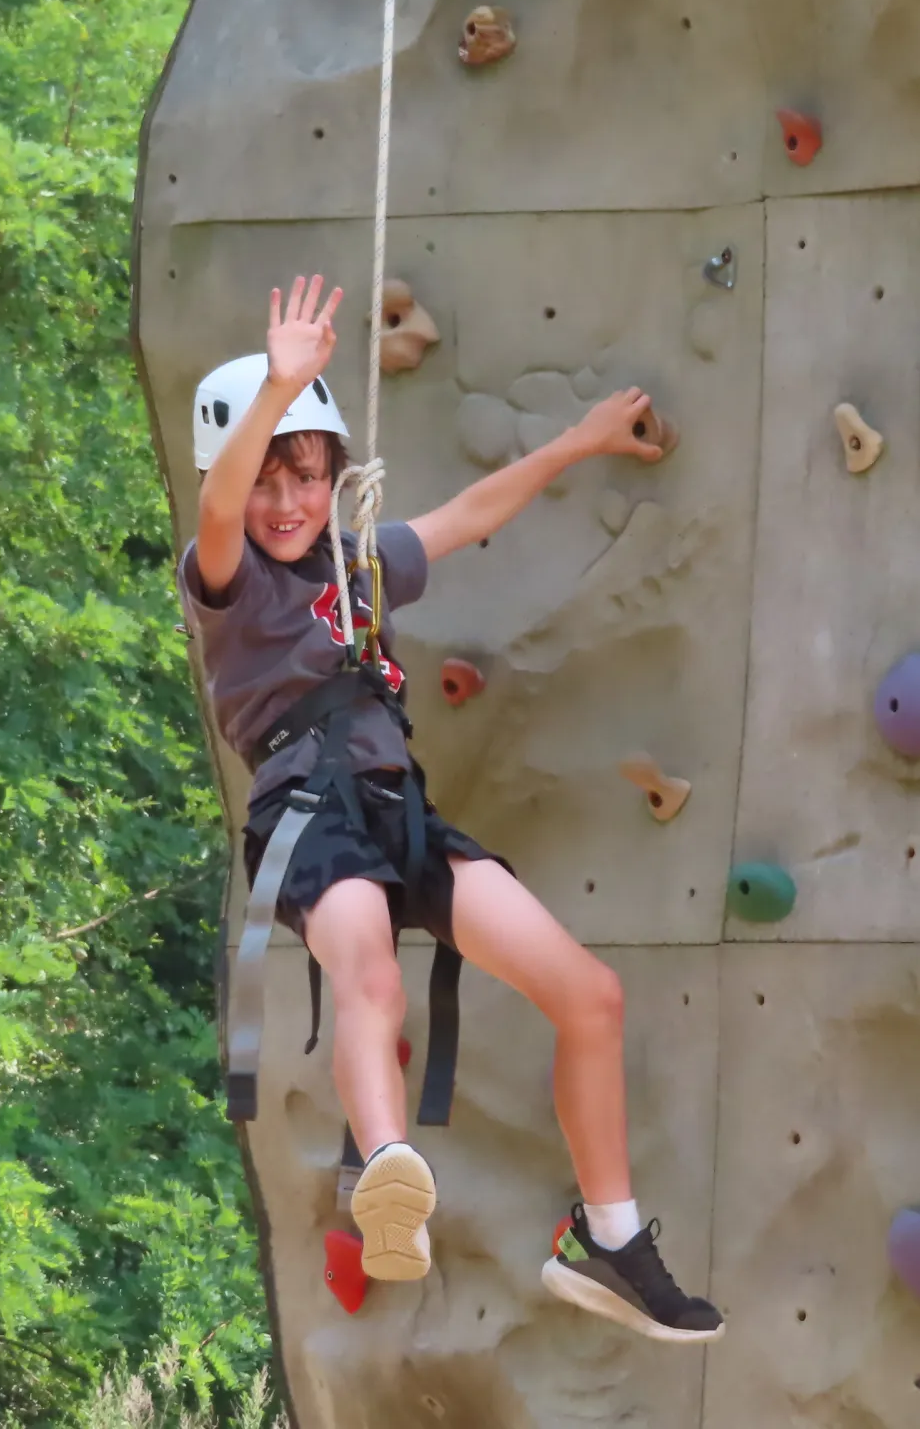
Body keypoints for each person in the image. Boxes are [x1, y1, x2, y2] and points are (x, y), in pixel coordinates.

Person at [179, 275, 725, 1344]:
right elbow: (216, 506)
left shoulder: (361, 566)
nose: (283, 502)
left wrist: (576, 444)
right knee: (369, 973)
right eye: (266, 482)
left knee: (592, 994)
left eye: (305, 476)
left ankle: (605, 1239)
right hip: (308, 813)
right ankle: (388, 1167)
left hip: (399, 814)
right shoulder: (230, 581)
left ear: (335, 478)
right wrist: (282, 387)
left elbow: (473, 513)